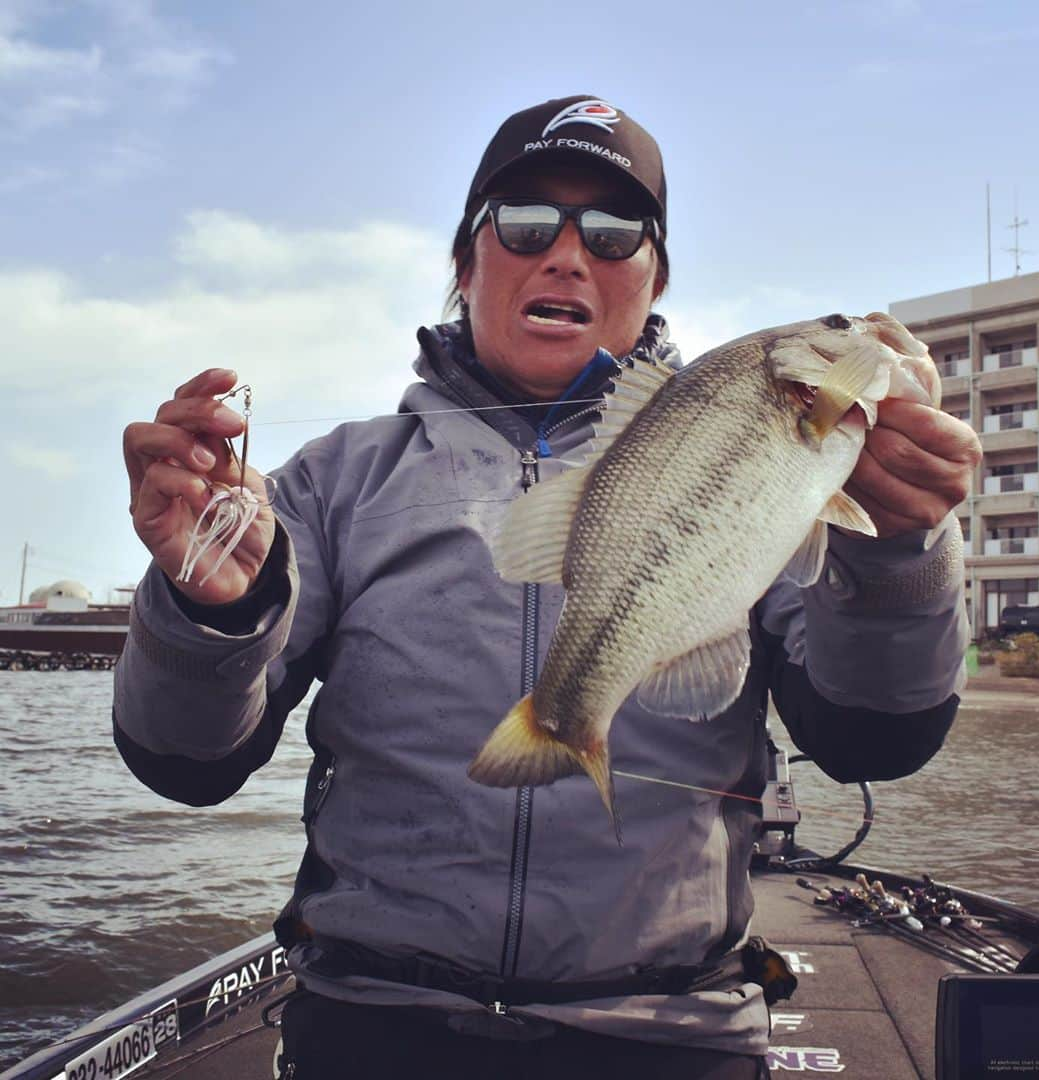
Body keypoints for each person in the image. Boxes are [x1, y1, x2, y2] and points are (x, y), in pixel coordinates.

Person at [115, 94, 982, 1079]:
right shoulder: (332, 482)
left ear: (654, 279)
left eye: (615, 231)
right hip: (375, 1025)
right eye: (527, 221)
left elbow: (879, 736)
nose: (569, 254)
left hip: (671, 1036)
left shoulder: (766, 464)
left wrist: (901, 550)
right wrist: (204, 608)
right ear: (464, 263)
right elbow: (185, 765)